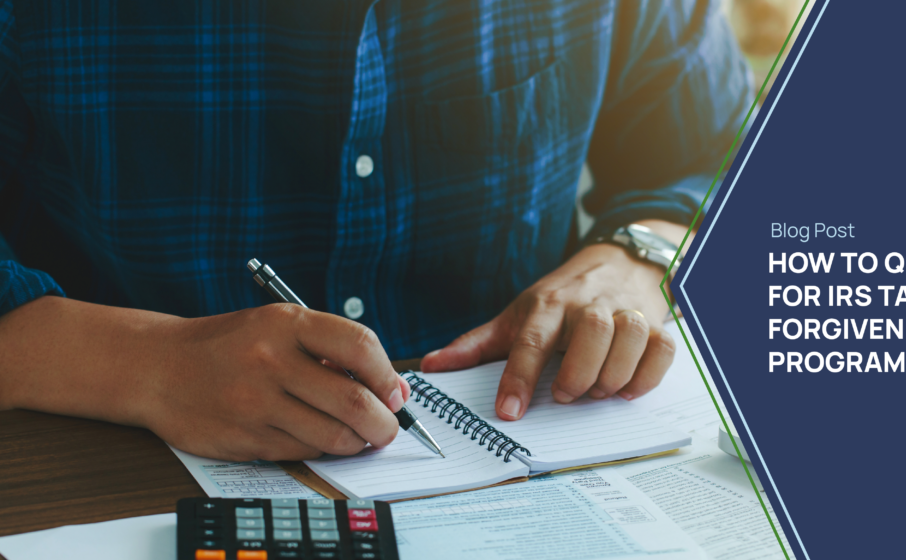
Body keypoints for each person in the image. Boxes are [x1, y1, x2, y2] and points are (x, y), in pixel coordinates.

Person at [0, 0, 752, 462]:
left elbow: (721, 157)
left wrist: (640, 255)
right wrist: (150, 367)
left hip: (525, 458)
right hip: (107, 472)